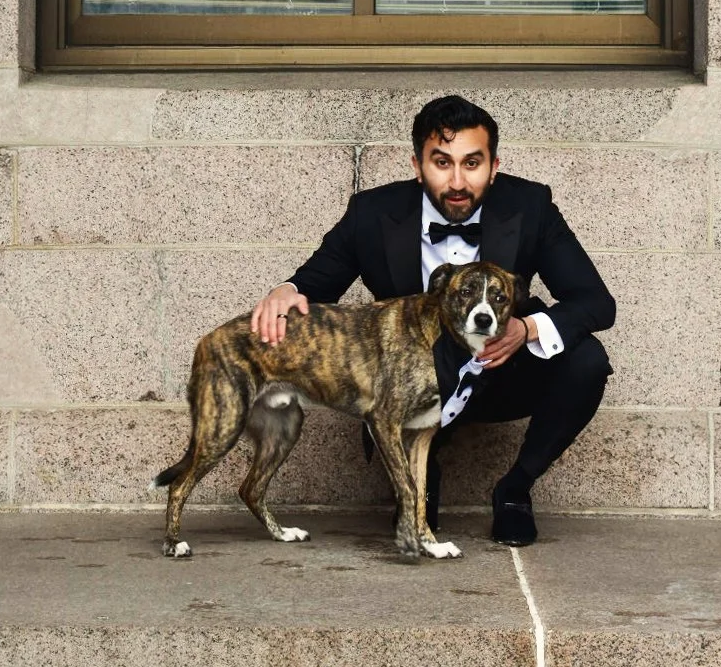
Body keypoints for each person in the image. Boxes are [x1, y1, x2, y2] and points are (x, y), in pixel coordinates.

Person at [251, 94, 615, 546]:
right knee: (421, 522)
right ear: (417, 165)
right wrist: (286, 290)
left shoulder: (531, 206)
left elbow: (597, 302)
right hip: (414, 386)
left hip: (500, 374)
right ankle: (423, 482)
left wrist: (526, 329)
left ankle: (516, 490)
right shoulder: (372, 212)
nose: (457, 181)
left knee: (587, 362)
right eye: (442, 163)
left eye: (472, 163)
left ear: (494, 166)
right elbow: (315, 284)